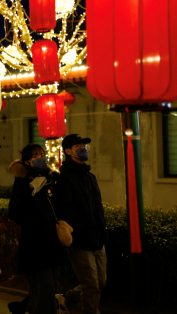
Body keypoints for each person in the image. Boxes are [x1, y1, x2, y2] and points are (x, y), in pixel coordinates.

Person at [7, 144, 67, 314]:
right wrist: (37, 227)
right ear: (27, 161)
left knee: (48, 290)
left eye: (42, 154)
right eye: (35, 156)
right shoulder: (23, 182)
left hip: (53, 245)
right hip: (35, 247)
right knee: (45, 296)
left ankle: (26, 308)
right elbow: (15, 211)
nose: (41, 158)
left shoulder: (50, 179)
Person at [52, 134, 108, 314]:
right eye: (78, 146)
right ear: (68, 151)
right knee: (91, 284)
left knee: (101, 281)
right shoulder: (64, 179)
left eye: (84, 145)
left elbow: (97, 207)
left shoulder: (90, 176)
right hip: (80, 240)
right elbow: (65, 210)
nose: (83, 149)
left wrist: (101, 229)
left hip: (97, 237)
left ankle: (67, 299)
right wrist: (80, 230)